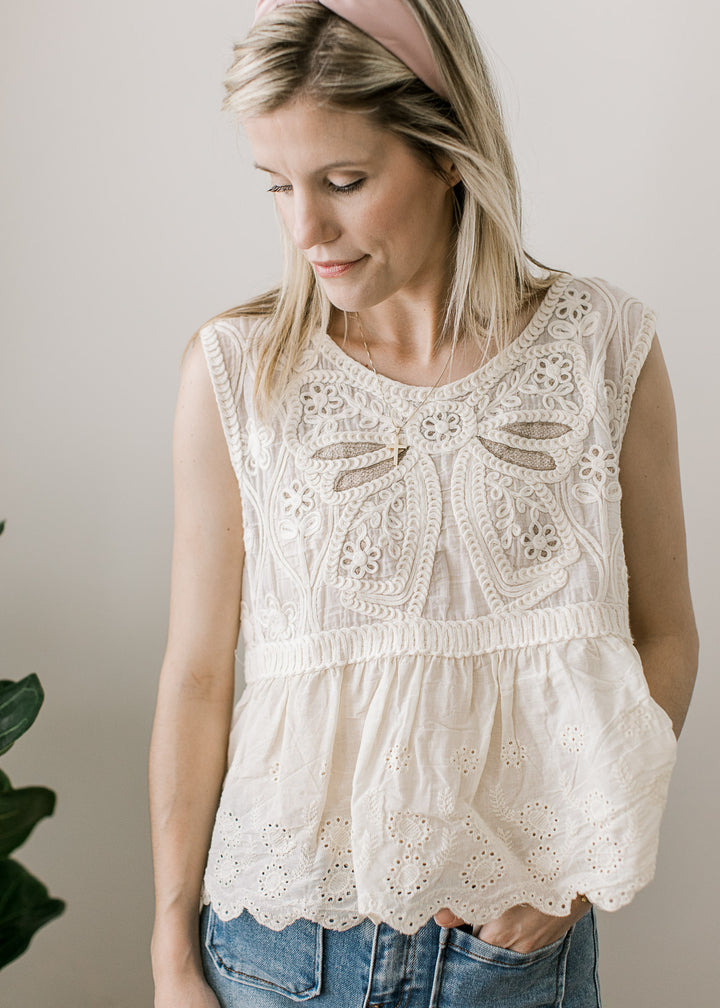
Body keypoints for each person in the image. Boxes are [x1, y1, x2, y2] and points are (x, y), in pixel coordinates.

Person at [149, 2, 699, 1006]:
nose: (306, 229)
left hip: (512, 961)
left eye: (344, 182)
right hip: (278, 952)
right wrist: (169, 954)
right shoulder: (238, 372)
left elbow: (664, 636)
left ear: (449, 153)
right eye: (277, 184)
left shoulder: (601, 347)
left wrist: (576, 872)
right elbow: (196, 676)